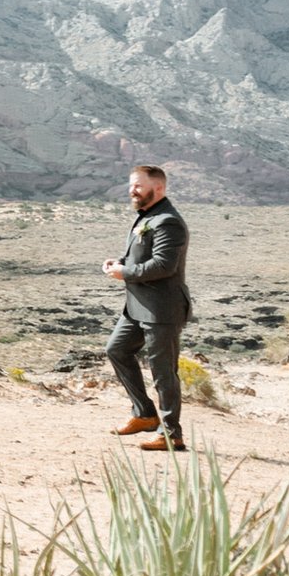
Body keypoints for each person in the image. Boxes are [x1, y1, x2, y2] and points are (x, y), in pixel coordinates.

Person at [101, 164, 193, 452]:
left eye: (138, 186)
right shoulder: (146, 216)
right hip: (138, 306)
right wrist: (118, 263)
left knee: (163, 372)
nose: (132, 190)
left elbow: (164, 265)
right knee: (116, 349)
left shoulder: (168, 221)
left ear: (159, 188)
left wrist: (125, 273)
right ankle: (144, 414)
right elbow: (140, 254)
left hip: (162, 310)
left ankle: (171, 435)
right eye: (131, 185)